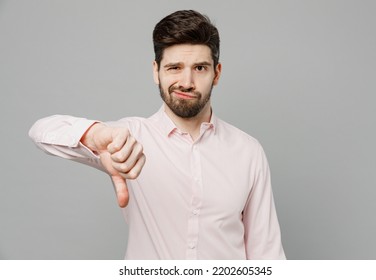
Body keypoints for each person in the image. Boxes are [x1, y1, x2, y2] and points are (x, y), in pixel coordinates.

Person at [29, 10, 285, 260]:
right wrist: (94, 136)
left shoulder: (248, 151)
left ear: (216, 73)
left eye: (199, 68)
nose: (186, 81)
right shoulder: (125, 141)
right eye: (174, 67)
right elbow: (40, 131)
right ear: (156, 71)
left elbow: (267, 256)